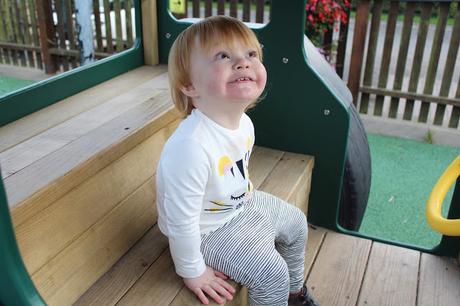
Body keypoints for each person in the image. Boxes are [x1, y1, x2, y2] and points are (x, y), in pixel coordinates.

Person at [156, 15, 319, 306]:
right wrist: (192, 271)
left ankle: (294, 295)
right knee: (271, 272)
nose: (243, 63)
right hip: (206, 230)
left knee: (296, 222)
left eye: (251, 54)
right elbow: (182, 223)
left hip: (239, 204)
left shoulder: (244, 124)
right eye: (222, 56)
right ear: (189, 85)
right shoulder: (190, 147)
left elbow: (235, 170)